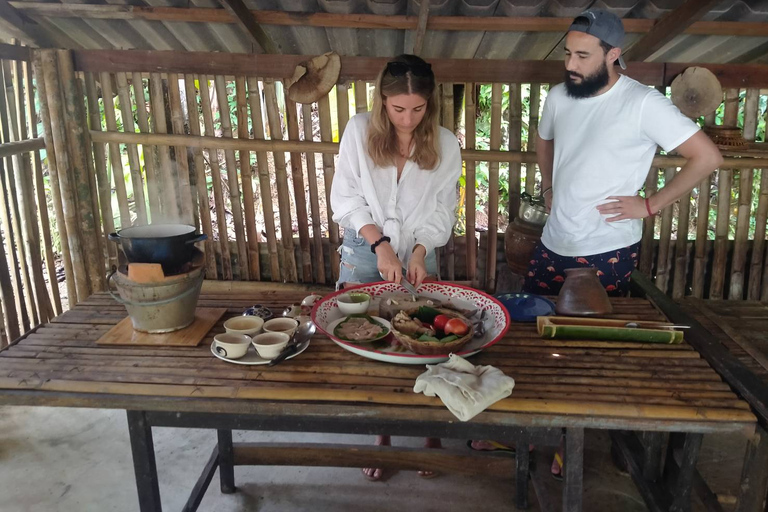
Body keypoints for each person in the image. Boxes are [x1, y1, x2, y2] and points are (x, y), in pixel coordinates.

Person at [472, 9, 723, 478]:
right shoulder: (559, 96)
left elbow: (706, 156)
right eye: (568, 52)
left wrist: (649, 205)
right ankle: (521, 428)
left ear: (614, 54)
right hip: (554, 239)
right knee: (529, 334)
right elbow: (543, 139)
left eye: (583, 55)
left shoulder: (643, 104)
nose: (571, 62)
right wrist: (548, 187)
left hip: (606, 249)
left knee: (588, 349)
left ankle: (572, 440)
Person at [330, 54, 463, 481]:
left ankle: (429, 431)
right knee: (368, 341)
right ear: (382, 101)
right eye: (398, 109)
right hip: (364, 246)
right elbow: (346, 195)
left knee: (428, 339)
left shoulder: (444, 143)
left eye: (418, 109)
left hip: (421, 250)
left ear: (431, 103)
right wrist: (380, 245)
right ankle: (381, 434)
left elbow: (443, 208)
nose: (408, 120)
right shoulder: (357, 131)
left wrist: (421, 252)